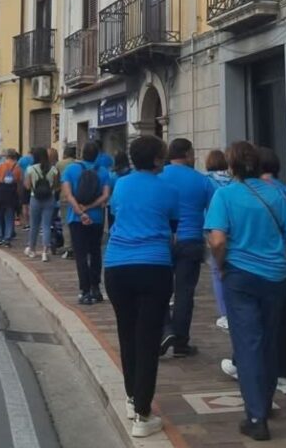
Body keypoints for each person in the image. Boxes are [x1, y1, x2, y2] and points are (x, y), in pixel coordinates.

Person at [205, 142, 286, 442]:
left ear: (232, 167)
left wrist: (221, 266)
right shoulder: (277, 194)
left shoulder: (224, 195)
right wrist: (282, 263)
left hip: (240, 276)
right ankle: (265, 400)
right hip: (275, 277)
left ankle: (256, 415)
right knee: (270, 339)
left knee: (248, 343)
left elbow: (218, 240)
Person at [103, 136, 178, 438]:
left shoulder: (121, 185)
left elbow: (116, 217)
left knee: (127, 332)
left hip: (118, 266)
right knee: (148, 339)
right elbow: (172, 228)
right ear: (158, 160)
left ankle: (133, 399)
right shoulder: (168, 190)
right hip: (154, 266)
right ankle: (143, 415)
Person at [219, 147, 286, 395]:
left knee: (250, 324)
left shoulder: (234, 194)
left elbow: (217, 239)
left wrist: (221, 264)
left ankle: (248, 371)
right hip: (283, 269)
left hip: (249, 267)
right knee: (282, 320)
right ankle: (285, 375)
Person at [158, 138, 215, 358]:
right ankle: (181, 341)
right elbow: (214, 212)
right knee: (185, 293)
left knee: (161, 289)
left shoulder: (159, 177)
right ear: (188, 154)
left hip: (164, 240)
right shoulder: (202, 181)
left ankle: (165, 329)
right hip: (191, 241)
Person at [62, 142, 112, 305]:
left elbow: (68, 195)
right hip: (96, 218)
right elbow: (105, 196)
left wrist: (81, 211)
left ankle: (84, 290)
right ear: (97, 154)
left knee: (81, 255)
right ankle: (96, 288)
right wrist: (90, 208)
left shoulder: (71, 170)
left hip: (76, 219)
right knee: (96, 252)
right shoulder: (103, 172)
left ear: (81, 153)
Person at [204, 149, 232, 330]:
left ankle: (225, 313)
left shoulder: (206, 180)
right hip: (233, 230)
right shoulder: (233, 180)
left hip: (214, 228)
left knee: (217, 271)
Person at [24, 147, 58, 262]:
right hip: (49, 198)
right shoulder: (53, 169)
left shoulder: (30, 169)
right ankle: (44, 252)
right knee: (46, 225)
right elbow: (57, 185)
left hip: (35, 198)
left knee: (34, 225)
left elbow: (27, 186)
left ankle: (32, 249)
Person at [0, 149, 23, 248]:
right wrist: (19, 194)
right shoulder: (18, 168)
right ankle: (7, 238)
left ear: (6, 156)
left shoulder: (0, 166)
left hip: (0, 190)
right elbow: (20, 183)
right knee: (10, 216)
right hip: (11, 192)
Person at [56, 146, 78, 258]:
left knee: (65, 222)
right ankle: (77, 245)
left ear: (64, 154)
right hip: (78, 197)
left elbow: (56, 180)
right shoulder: (79, 163)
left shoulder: (59, 164)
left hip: (64, 196)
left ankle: (68, 247)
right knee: (76, 222)